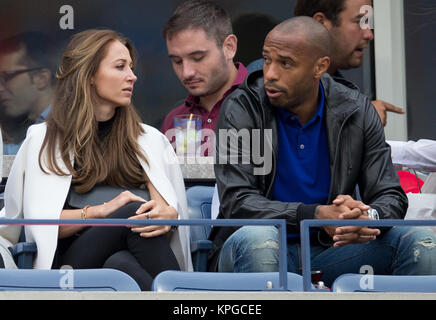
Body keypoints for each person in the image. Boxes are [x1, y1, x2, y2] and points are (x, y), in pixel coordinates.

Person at [208, 17, 436, 286]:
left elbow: (389, 194)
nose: (270, 73)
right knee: (260, 241)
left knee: (422, 240)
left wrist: (364, 218)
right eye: (267, 59)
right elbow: (238, 202)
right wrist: (315, 215)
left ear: (320, 67)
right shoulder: (244, 108)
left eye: (286, 63)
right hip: (255, 246)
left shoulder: (356, 111)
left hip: (330, 251)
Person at [0, 29, 193, 289]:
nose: (132, 76)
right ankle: (185, 298)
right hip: (69, 263)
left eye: (132, 67)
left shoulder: (148, 139)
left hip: (128, 253)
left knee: (120, 264)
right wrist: (101, 212)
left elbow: (163, 209)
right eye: (120, 67)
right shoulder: (44, 139)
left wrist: (168, 214)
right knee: (130, 214)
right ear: (89, 75)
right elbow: (42, 224)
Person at [293, 0, 405, 126]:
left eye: (369, 22)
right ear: (320, 23)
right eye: (359, 21)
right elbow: (268, 144)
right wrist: (357, 121)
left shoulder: (342, 92)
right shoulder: (272, 84)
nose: (369, 34)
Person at [160, 0, 248, 156]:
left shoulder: (263, 104)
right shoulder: (173, 120)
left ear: (229, 47)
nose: (187, 72)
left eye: (198, 58)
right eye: (177, 61)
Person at [0, 32, 58, 155]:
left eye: (7, 77)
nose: (1, 88)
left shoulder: (72, 127)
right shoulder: (25, 127)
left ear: (42, 78)